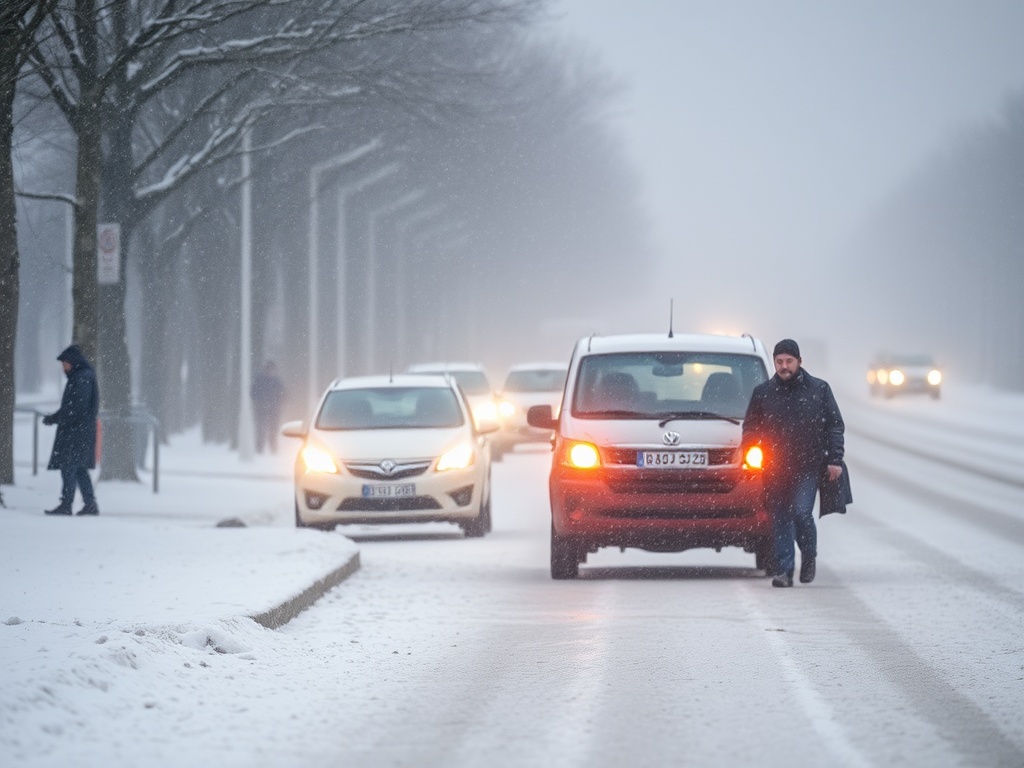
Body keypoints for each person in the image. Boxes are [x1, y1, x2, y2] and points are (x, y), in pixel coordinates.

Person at [742, 339, 846, 587]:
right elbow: (750, 427)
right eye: (779, 361)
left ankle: (809, 555)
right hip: (774, 468)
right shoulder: (763, 393)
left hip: (807, 467)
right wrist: (750, 448)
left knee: (800, 513)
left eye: (789, 361)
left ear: (799, 361)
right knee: (779, 519)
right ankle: (784, 571)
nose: (784, 366)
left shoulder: (819, 390)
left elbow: (834, 426)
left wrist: (835, 459)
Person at [42, 344, 101, 516]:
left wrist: (58, 418)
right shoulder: (81, 376)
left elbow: (76, 407)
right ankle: (90, 504)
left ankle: (67, 504)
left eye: (65, 364)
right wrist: (55, 418)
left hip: (76, 432)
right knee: (79, 468)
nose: (63, 368)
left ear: (73, 363)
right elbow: (73, 407)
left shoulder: (82, 378)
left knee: (69, 466)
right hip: (79, 431)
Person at [251, 361, 286, 454]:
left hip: (273, 411)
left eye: (271, 369)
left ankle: (273, 449)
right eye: (268, 369)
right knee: (260, 431)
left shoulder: (277, 382)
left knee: (273, 431)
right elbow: (253, 393)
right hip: (261, 410)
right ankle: (259, 449)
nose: (270, 371)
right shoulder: (259, 381)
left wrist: (278, 402)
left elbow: (283, 394)